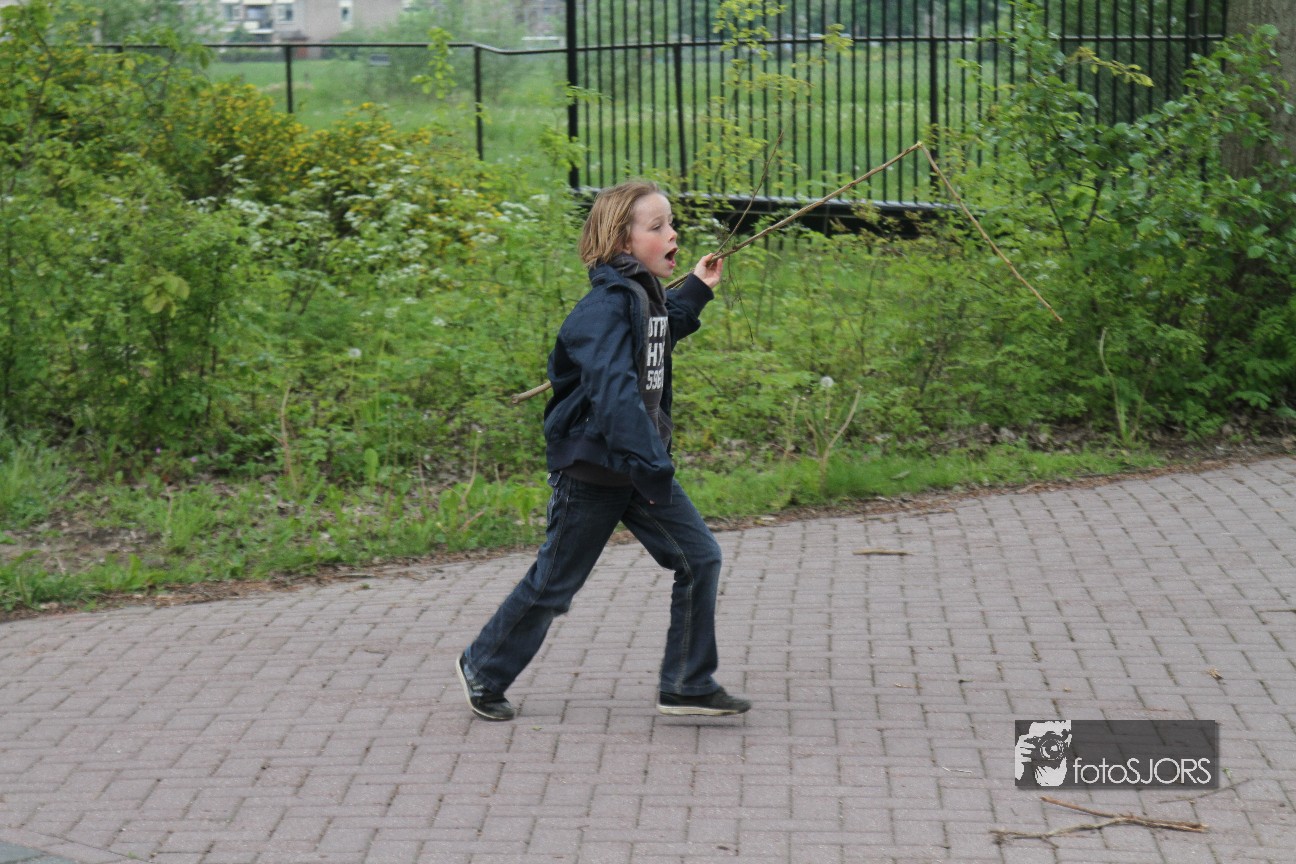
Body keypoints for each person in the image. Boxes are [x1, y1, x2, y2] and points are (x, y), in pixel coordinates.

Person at [455, 180, 751, 721]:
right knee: (556, 584)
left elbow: (657, 335)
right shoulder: (601, 309)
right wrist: (652, 462)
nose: (672, 233)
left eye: (671, 223)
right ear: (620, 240)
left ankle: (686, 683)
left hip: (636, 466)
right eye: (657, 226)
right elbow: (615, 395)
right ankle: (483, 667)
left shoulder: (644, 296)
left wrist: (696, 290)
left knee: (699, 557)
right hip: (595, 469)